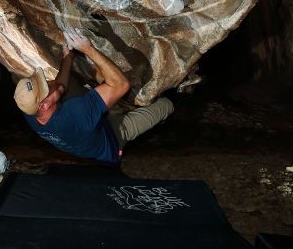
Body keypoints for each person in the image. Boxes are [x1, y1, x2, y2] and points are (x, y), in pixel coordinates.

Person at [13, 28, 174, 164]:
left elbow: (59, 86)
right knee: (166, 104)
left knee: (65, 90)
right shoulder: (76, 113)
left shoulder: (30, 111)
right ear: (45, 105)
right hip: (111, 139)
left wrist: (68, 55)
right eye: (45, 86)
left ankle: (104, 107)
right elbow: (121, 84)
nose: (49, 81)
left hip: (85, 133)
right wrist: (87, 49)